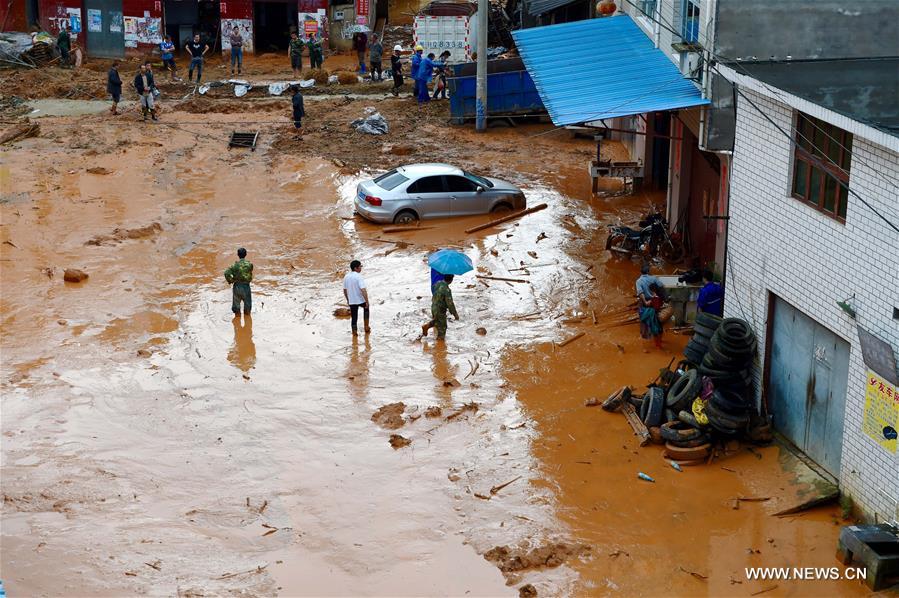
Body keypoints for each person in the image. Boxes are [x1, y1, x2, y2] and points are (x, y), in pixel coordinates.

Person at [636, 262, 665, 349]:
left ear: (641, 272)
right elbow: (661, 286)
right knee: (657, 320)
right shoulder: (654, 278)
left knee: (645, 321)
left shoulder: (639, 281)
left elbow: (640, 292)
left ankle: (646, 337)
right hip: (655, 303)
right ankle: (659, 339)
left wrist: (645, 301)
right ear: (648, 271)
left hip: (645, 303)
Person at [422, 275, 458, 340]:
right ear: (451, 280)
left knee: (437, 321)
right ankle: (440, 343)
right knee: (443, 327)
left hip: (433, 307)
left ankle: (426, 326)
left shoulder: (438, 283)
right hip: (440, 310)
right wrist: (455, 314)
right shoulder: (447, 290)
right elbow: (450, 304)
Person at [343, 260, 370, 336]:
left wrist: (348, 300)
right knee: (366, 308)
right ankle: (366, 327)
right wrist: (367, 301)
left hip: (352, 300)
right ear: (356, 268)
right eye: (360, 267)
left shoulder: (346, 276)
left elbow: (345, 290)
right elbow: (363, 290)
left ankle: (354, 332)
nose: (361, 268)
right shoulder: (359, 276)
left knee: (354, 317)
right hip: (360, 300)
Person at [224, 247, 253, 316]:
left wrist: (231, 280)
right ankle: (247, 323)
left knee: (236, 308)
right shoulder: (250, 265)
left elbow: (226, 273)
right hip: (246, 287)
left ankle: (237, 320)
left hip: (237, 286)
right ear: (246, 254)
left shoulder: (234, 265)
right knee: (247, 308)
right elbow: (249, 273)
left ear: (238, 255)